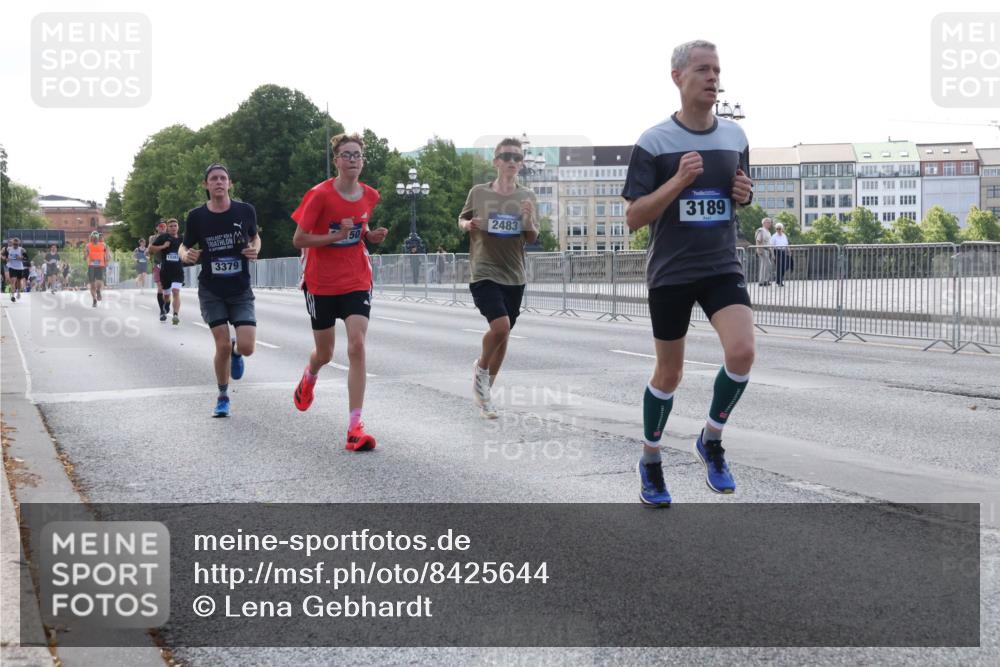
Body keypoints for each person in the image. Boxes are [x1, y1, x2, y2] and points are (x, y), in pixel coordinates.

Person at [622, 39, 755, 506]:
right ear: (678, 77)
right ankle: (651, 460)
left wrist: (744, 193)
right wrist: (677, 181)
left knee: (742, 352)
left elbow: (738, 193)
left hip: (721, 265)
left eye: (717, 70)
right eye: (703, 69)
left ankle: (711, 439)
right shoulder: (654, 142)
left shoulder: (735, 137)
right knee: (670, 372)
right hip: (672, 272)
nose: (713, 78)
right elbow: (634, 217)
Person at [291, 133, 388, 450]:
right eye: (346, 155)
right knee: (326, 353)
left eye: (357, 155)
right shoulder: (319, 196)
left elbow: (360, 230)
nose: (352, 160)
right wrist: (336, 236)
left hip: (356, 278)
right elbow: (300, 240)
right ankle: (310, 375)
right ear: (336, 160)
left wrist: (371, 236)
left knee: (357, 346)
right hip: (320, 282)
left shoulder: (369, 195)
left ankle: (354, 426)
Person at [458, 137, 539, 419]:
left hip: (514, 274)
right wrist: (468, 224)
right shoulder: (479, 192)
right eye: (506, 156)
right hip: (484, 270)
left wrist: (528, 220)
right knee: (501, 327)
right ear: (496, 162)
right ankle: (481, 368)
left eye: (517, 157)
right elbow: (462, 218)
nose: (512, 162)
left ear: (522, 164)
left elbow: (532, 236)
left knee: (503, 338)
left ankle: (485, 394)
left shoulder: (527, 195)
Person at [180, 163, 261, 418]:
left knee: (246, 347)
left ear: (230, 184)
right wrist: (187, 256)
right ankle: (223, 396)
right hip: (211, 289)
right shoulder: (197, 216)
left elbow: (255, 237)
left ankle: (238, 351)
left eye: (223, 178)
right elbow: (183, 247)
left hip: (239, 288)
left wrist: (256, 248)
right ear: (206, 185)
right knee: (221, 345)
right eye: (213, 179)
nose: (218, 182)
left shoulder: (245, 210)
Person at [149, 220, 184, 324]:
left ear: (178, 227)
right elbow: (151, 250)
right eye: (171, 226)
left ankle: (175, 315)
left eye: (175, 226)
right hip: (165, 271)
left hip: (178, 271)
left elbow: (187, 249)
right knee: (167, 296)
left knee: (176, 292)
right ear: (168, 228)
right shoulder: (163, 237)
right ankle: (166, 306)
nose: (173, 228)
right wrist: (163, 246)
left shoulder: (182, 239)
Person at [148, 222, 168, 319]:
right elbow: (149, 250)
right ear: (157, 228)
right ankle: (162, 311)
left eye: (164, 226)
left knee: (168, 288)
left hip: (169, 265)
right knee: (160, 287)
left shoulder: (170, 237)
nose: (163, 228)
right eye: (161, 226)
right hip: (158, 264)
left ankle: (167, 304)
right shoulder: (153, 238)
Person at [84, 231, 110, 307]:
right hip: (91, 266)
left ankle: (98, 291)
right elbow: (85, 254)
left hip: (100, 265)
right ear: (91, 238)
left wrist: (107, 259)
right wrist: (85, 255)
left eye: (96, 238)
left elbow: (107, 252)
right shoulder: (88, 245)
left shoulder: (103, 245)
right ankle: (94, 300)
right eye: (94, 238)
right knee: (92, 284)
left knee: (99, 282)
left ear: (98, 238)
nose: (95, 239)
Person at [755, 217, 773, 286]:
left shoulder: (768, 232)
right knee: (765, 265)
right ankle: (762, 281)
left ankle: (765, 280)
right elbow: (758, 240)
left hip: (767, 250)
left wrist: (772, 253)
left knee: (767, 266)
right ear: (764, 223)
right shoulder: (761, 230)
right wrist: (759, 250)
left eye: (770, 222)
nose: (770, 224)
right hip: (763, 249)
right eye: (768, 222)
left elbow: (770, 243)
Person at [771, 222, 790, 286]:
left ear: (782, 229)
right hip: (777, 252)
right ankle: (779, 281)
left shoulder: (784, 235)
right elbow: (771, 246)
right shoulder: (774, 236)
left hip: (783, 251)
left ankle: (778, 279)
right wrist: (773, 255)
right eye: (777, 229)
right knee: (779, 267)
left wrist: (789, 251)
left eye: (779, 228)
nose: (778, 230)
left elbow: (787, 244)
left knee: (785, 266)